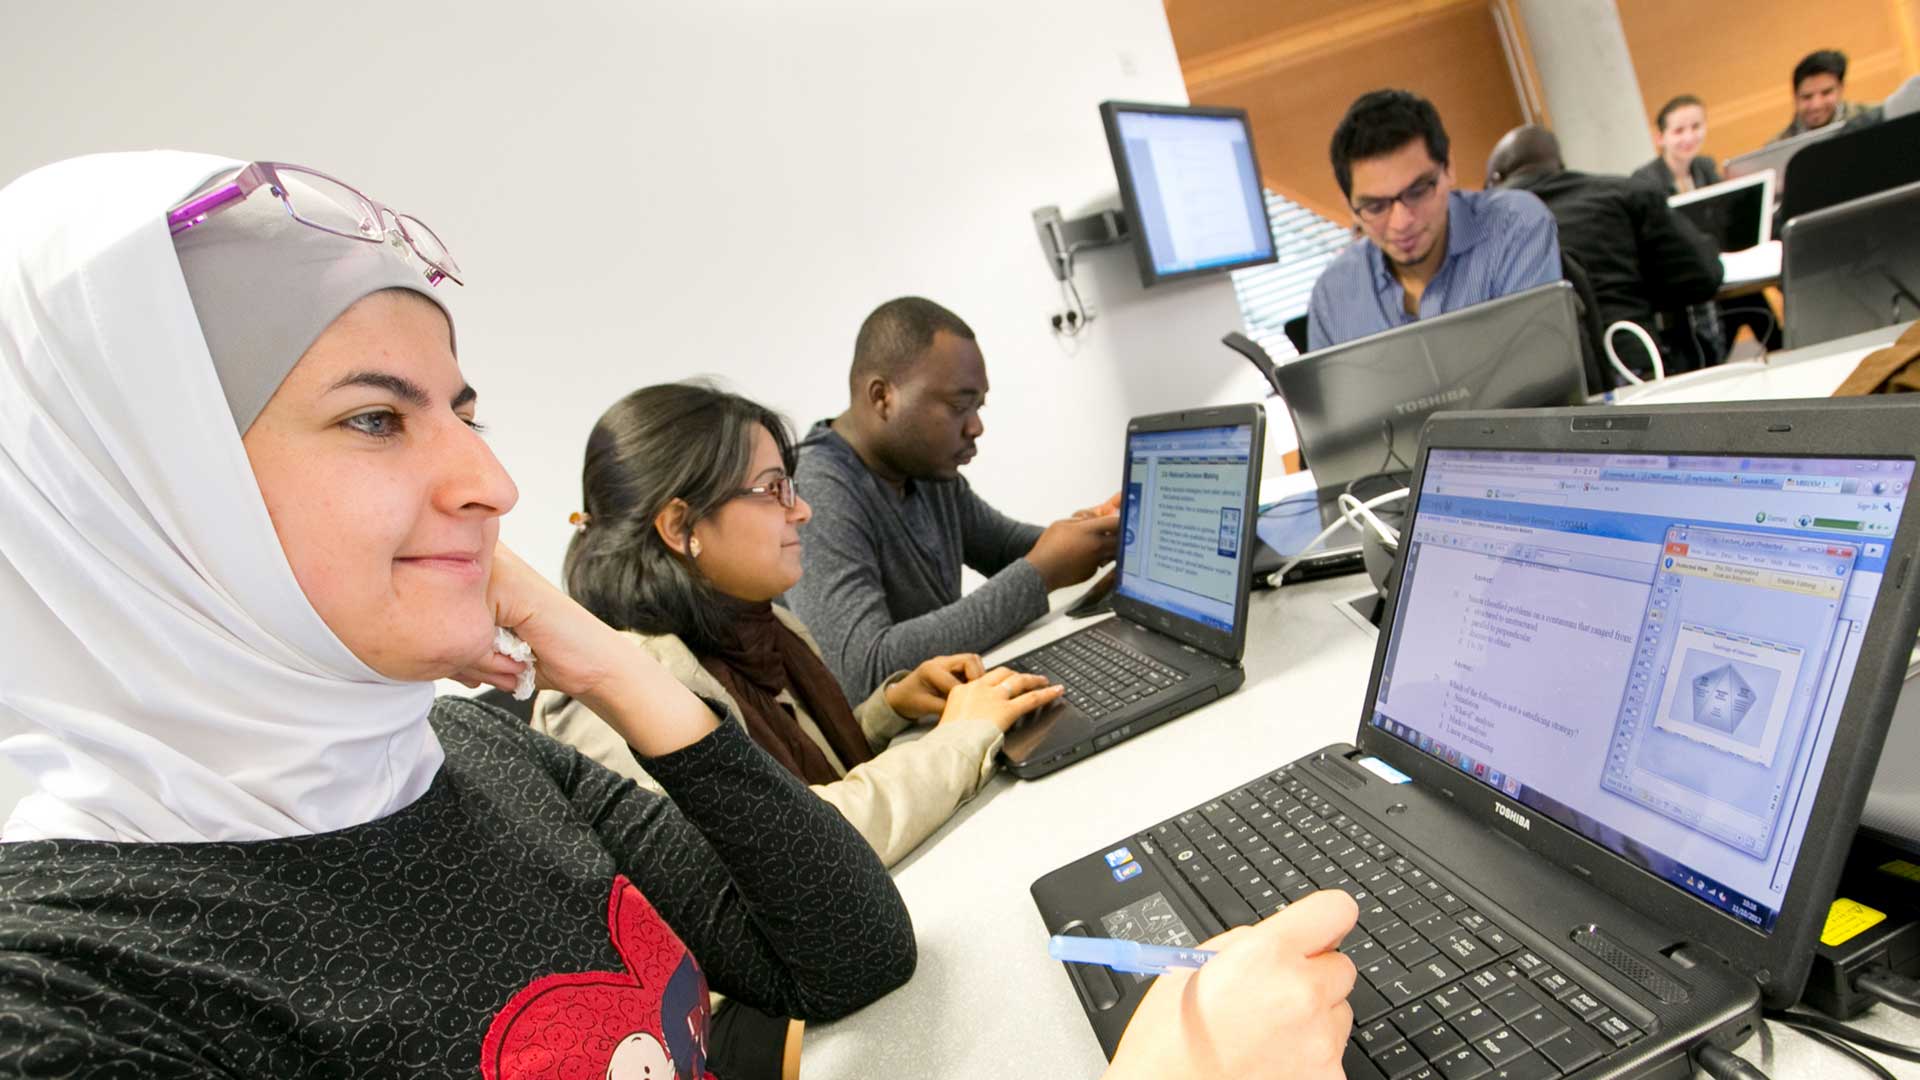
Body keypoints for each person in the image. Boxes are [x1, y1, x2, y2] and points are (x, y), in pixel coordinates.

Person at [0, 152, 1360, 1079]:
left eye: (464, 411)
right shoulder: (67, 997)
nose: (489, 483)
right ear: (128, 491)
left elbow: (847, 953)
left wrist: (601, 659)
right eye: (374, 418)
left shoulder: (466, 755)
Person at [539, 382, 1058, 869]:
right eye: (774, 489)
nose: (802, 511)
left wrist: (887, 713)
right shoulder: (615, 697)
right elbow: (796, 849)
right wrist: (961, 736)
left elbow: (786, 775)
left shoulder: (765, 629)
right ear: (680, 526)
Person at [786, 297, 1120, 701]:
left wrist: (1092, 533)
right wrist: (1043, 571)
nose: (976, 427)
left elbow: (1006, 549)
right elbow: (863, 670)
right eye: (960, 406)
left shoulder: (924, 470)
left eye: (978, 407)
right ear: (882, 397)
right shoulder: (817, 490)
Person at [1305, 89, 1561, 352]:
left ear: (1449, 167)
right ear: (1349, 205)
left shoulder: (1514, 225)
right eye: (1375, 206)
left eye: (1417, 192)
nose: (1401, 222)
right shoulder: (1333, 296)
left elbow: (1538, 364)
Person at [1488, 124, 1724, 377]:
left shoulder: (1479, 233)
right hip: (1634, 366)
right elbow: (1704, 275)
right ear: (1560, 164)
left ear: (1497, 179)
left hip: (1540, 384)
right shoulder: (1626, 193)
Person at [1773, 49, 1883, 141]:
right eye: (1807, 97)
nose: (1816, 105)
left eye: (1826, 93)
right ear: (1795, 97)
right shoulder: (1777, 148)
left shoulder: (1876, 120)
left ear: (1840, 88)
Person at [1631, 94, 1720, 195]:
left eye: (1695, 126)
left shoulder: (1706, 167)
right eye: (1679, 131)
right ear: (1660, 138)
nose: (1689, 138)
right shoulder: (1645, 180)